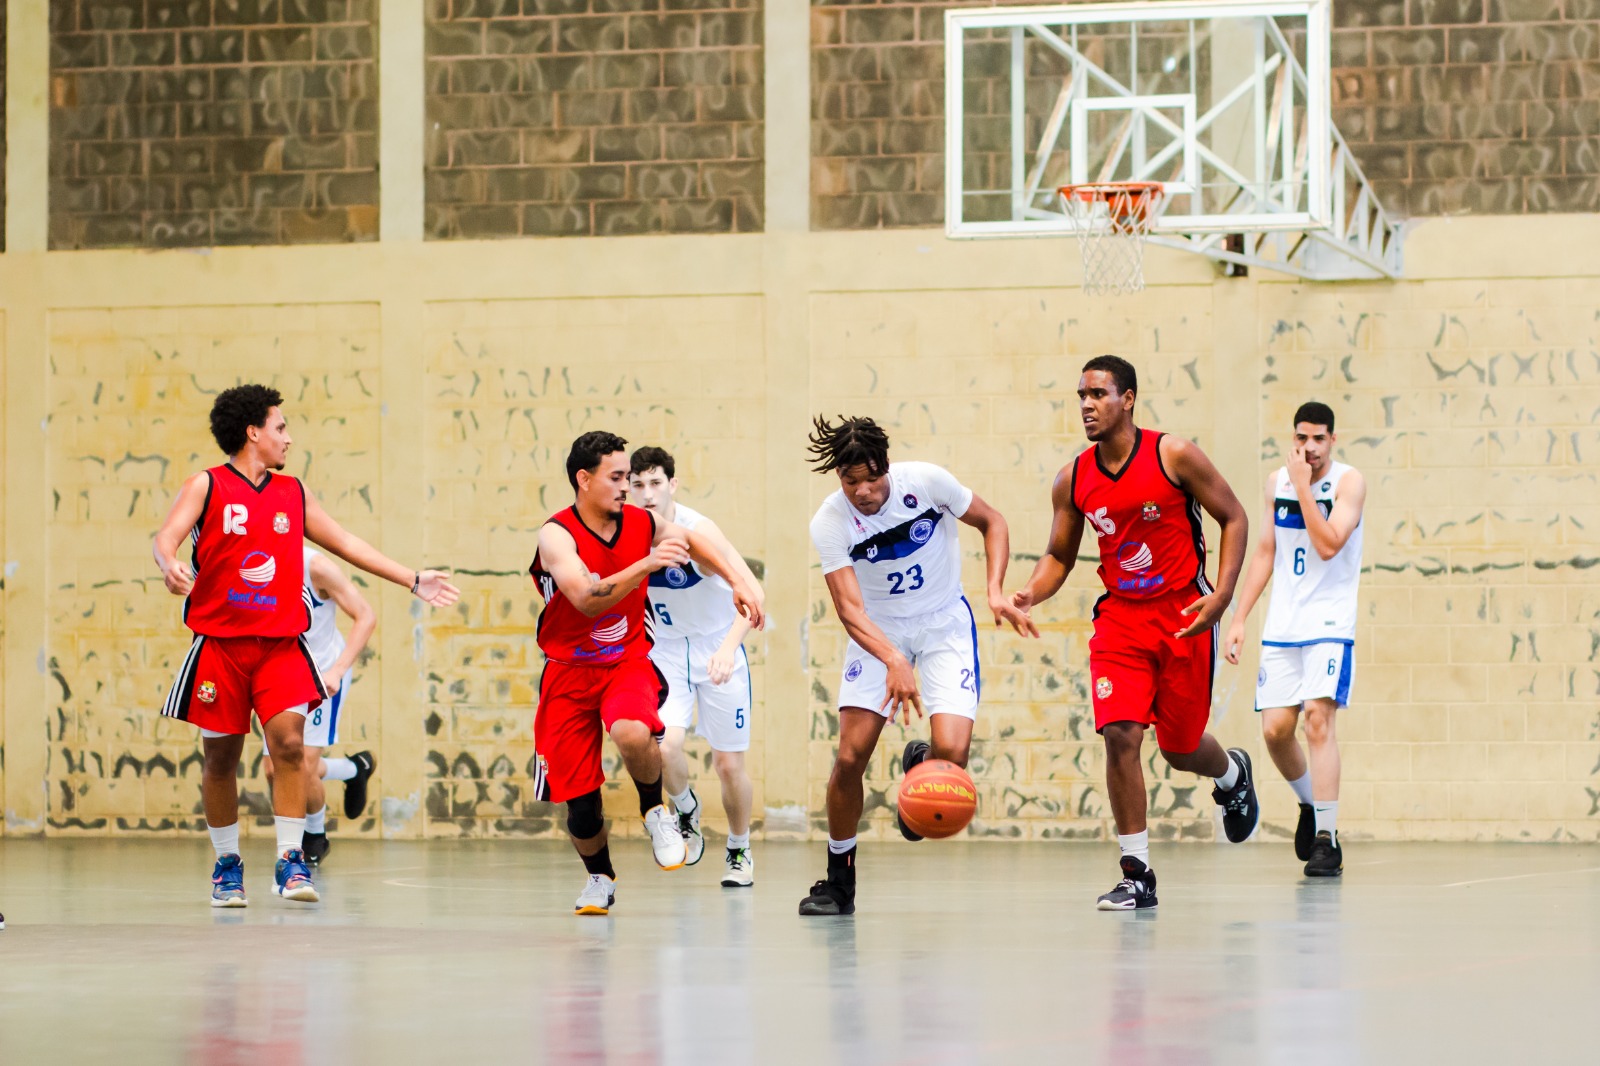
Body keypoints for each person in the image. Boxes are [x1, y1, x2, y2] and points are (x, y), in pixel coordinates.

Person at [153, 384, 457, 908]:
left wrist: (412, 577)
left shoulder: (292, 494)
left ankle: (291, 860)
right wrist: (169, 564)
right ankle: (227, 866)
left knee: (291, 747)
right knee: (220, 759)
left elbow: (347, 543)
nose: (288, 439)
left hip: (279, 646)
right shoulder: (205, 485)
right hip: (220, 646)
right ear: (254, 433)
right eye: (280, 427)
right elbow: (165, 537)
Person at [1013, 355, 1258, 910]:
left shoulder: (1172, 454)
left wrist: (1220, 597)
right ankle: (1136, 872)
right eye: (1080, 395)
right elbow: (1058, 554)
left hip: (1183, 615)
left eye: (1097, 394)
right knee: (1120, 734)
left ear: (1128, 399)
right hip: (1121, 619)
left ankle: (1230, 772)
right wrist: (1030, 591)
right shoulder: (1073, 478)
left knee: (1180, 747)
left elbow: (1235, 517)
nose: (1086, 405)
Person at [798, 415, 1034, 917]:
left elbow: (994, 522)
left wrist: (994, 591)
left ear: (887, 466)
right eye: (850, 481)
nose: (862, 491)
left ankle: (922, 761)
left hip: (944, 622)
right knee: (849, 758)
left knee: (951, 755)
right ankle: (839, 882)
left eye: (870, 478)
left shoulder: (927, 482)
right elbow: (848, 608)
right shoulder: (830, 521)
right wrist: (892, 658)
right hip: (878, 631)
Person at [531, 431, 765, 916]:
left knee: (635, 732)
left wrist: (738, 581)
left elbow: (693, 540)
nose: (626, 487)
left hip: (628, 662)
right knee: (580, 805)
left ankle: (655, 811)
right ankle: (600, 878)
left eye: (631, 478)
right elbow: (585, 598)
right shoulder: (556, 535)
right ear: (584, 479)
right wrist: (646, 564)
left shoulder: (640, 521)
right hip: (568, 671)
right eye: (617, 477)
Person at [1225, 402, 1365, 877]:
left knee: (1317, 720)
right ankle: (1310, 804)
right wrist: (1240, 616)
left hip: (1329, 624)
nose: (1309, 448)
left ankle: (1327, 838)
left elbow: (1328, 544)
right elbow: (1265, 551)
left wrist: (1304, 488)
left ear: (1333, 440)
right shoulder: (1275, 482)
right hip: (1284, 626)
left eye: (1319, 439)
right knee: (1275, 730)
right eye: (1302, 438)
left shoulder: (1349, 482)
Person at [628, 446, 765, 887]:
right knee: (663, 747)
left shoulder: (698, 530)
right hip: (665, 653)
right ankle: (685, 806)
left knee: (728, 765)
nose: (647, 494)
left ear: (672, 484)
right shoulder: (626, 534)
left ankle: (739, 847)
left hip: (715, 648)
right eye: (637, 484)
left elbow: (751, 593)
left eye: (655, 483)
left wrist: (727, 649)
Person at [262, 546, 379, 865]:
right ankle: (354, 769)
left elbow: (366, 616)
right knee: (274, 770)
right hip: (278, 674)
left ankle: (315, 835)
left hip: (320, 675)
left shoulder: (316, 567)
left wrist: (338, 671)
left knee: (302, 767)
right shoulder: (250, 562)